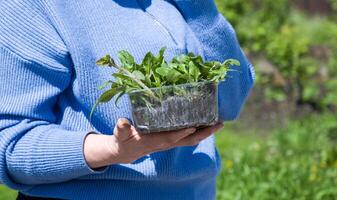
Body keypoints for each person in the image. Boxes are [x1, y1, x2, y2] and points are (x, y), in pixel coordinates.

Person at [0, 0, 255, 199]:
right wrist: (113, 150)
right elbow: (10, 144)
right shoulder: (35, 7)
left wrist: (201, 10)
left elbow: (230, 102)